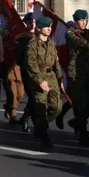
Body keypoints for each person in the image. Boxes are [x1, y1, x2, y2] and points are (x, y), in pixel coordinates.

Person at [63, 9, 89, 147]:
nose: (84, 22)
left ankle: (77, 122)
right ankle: (83, 134)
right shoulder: (70, 33)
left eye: (86, 20)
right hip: (77, 73)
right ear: (75, 21)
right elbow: (76, 42)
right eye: (81, 20)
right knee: (80, 105)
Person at [26, 16, 64, 149]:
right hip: (39, 79)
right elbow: (31, 65)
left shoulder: (52, 43)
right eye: (46, 26)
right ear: (39, 28)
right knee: (41, 108)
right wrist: (40, 81)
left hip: (52, 78)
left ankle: (40, 125)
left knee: (57, 107)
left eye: (50, 26)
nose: (49, 29)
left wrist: (60, 79)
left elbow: (56, 62)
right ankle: (43, 135)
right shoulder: (32, 45)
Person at [15, 13, 36, 132]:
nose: (32, 23)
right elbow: (19, 57)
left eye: (34, 21)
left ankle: (25, 117)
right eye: (30, 21)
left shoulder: (40, 35)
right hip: (27, 71)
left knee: (39, 98)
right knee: (34, 97)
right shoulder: (22, 37)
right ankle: (27, 118)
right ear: (26, 23)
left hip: (41, 72)